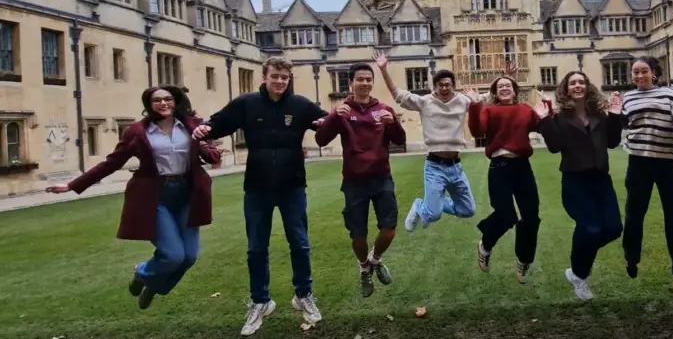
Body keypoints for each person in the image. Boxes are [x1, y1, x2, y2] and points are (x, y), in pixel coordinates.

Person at [46, 86, 221, 310]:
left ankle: (153, 285)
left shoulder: (192, 125)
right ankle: (143, 273)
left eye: (168, 99)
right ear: (149, 105)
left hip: (188, 194)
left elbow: (212, 153)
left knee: (189, 257)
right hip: (155, 196)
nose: (163, 103)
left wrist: (205, 145)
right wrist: (72, 185)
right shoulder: (138, 132)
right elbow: (112, 163)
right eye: (157, 100)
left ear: (175, 101)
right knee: (173, 255)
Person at [191, 56, 328, 336]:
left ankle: (304, 295)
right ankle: (260, 301)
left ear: (290, 79)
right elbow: (219, 123)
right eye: (275, 76)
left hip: (292, 186)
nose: (279, 81)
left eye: (284, 77)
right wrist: (205, 127)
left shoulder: (300, 105)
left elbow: (326, 123)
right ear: (264, 76)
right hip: (256, 187)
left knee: (300, 244)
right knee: (256, 248)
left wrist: (345, 117)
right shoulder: (247, 103)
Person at [314, 63, 406, 298]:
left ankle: (375, 260)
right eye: (360, 79)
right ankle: (364, 268)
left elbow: (399, 139)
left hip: (382, 178)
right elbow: (321, 140)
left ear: (372, 82)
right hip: (354, 182)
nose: (365, 83)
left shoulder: (383, 109)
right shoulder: (343, 111)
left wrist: (393, 122)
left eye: (368, 79)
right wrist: (333, 117)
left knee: (389, 230)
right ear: (351, 83)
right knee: (358, 235)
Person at [534, 71, 624, 301]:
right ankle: (580, 274)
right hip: (575, 180)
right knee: (591, 228)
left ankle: (577, 269)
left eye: (581, 82)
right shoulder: (559, 117)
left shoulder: (599, 115)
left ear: (587, 86)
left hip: (601, 179)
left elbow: (613, 142)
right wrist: (544, 120)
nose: (578, 86)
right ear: (566, 89)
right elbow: (554, 147)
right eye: (573, 82)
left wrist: (615, 114)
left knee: (613, 228)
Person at [614, 57, 673, 295]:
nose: (639, 76)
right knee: (634, 215)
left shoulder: (669, 94)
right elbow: (623, 124)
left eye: (644, 71)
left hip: (666, 162)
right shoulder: (628, 98)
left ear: (654, 73)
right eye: (635, 72)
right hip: (638, 162)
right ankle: (631, 256)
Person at [372, 51, 477, 232]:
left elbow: (491, 98)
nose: (444, 88)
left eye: (448, 85)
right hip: (435, 166)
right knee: (433, 215)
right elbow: (398, 95)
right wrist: (383, 70)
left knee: (467, 210)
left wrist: (508, 79)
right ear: (435, 87)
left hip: (456, 167)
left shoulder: (463, 101)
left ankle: (431, 205)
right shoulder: (425, 102)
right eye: (440, 85)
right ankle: (421, 206)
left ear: (453, 87)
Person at [464, 67, 541, 284]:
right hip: (499, 166)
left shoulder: (526, 110)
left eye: (508, 85)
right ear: (495, 93)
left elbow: (543, 126)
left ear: (515, 91)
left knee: (531, 217)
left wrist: (548, 111)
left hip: (522, 167)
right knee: (506, 215)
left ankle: (524, 261)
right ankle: (485, 245)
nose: (505, 88)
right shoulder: (489, 111)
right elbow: (477, 131)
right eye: (500, 87)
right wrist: (474, 105)